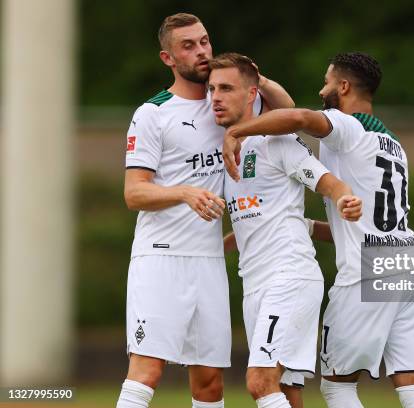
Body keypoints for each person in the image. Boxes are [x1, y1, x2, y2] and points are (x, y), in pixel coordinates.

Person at [221, 52, 414, 408]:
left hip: (367, 271)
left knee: (337, 386)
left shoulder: (348, 126)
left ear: (343, 86)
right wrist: (306, 226)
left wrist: (236, 130)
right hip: (411, 264)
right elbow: (367, 221)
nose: (321, 89)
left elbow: (296, 116)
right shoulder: (394, 144)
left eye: (327, 81)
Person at [118, 13, 294, 408]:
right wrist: (184, 193)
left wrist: (253, 77)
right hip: (161, 258)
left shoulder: (227, 101)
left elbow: (286, 108)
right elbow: (134, 194)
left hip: (209, 261)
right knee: (148, 371)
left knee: (211, 383)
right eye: (188, 46)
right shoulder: (153, 114)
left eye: (204, 42)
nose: (200, 51)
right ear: (168, 58)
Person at [208, 53, 362, 408]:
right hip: (255, 285)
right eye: (212, 88)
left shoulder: (276, 142)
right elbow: (253, 220)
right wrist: (215, 249)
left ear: (251, 94)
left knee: (260, 382)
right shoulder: (228, 151)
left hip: (289, 278)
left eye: (227, 88)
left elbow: (329, 183)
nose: (215, 96)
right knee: (288, 392)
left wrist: (345, 200)